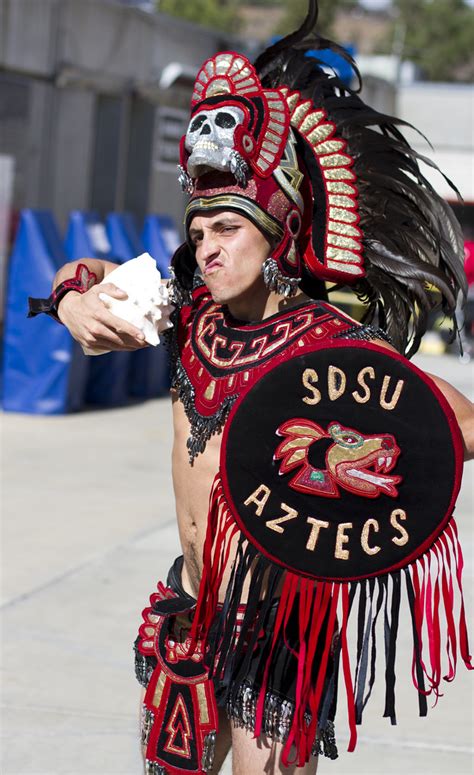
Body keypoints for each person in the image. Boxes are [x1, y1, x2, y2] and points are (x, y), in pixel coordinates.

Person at [29, 2, 473, 773]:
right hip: (186, 608)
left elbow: (457, 424)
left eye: (226, 230)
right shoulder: (183, 306)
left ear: (277, 230)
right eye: (198, 231)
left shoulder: (324, 344)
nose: (205, 247)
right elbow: (93, 274)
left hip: (277, 628)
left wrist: (348, 466)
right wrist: (73, 297)